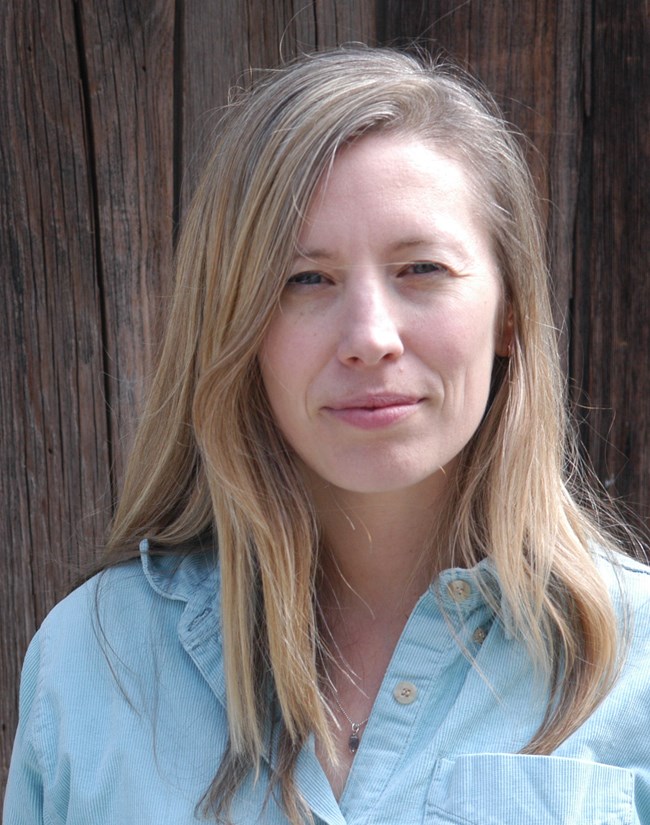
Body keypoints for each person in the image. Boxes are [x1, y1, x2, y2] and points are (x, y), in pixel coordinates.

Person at [4, 46, 650, 825]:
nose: (370, 336)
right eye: (305, 279)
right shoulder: (93, 659)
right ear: (236, 326)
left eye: (421, 270)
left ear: (510, 312)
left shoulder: (635, 662)